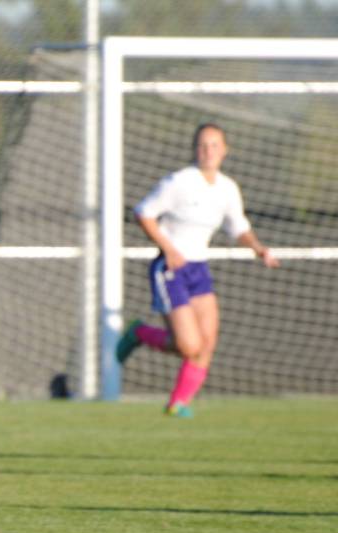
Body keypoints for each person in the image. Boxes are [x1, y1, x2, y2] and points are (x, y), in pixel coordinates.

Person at [117, 123, 280, 417]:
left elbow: (238, 227)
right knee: (188, 345)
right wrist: (168, 248)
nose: (208, 151)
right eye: (203, 145)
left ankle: (179, 403)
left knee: (207, 342)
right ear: (194, 149)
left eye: (214, 145)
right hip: (170, 269)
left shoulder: (227, 188)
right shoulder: (179, 182)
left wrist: (258, 248)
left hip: (198, 269)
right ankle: (139, 333)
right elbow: (143, 213)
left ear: (225, 150)